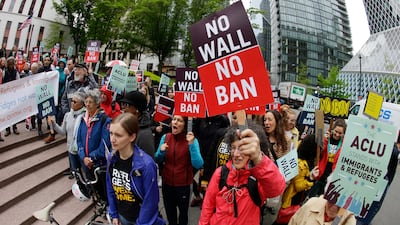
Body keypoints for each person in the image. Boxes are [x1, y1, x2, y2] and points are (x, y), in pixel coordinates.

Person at [198, 122, 286, 225]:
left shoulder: (258, 178)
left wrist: (258, 158)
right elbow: (207, 206)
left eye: (242, 149)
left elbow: (276, 189)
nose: (236, 154)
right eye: (233, 148)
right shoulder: (221, 173)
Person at [106, 113, 165, 225]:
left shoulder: (146, 165)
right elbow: (110, 187)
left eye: (118, 135)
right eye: (111, 133)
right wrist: (113, 214)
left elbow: (150, 200)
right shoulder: (111, 158)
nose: (112, 139)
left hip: (142, 220)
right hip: (122, 217)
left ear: (132, 137)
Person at [155, 115, 204, 225]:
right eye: (174, 119)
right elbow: (157, 159)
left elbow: (199, 164)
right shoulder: (165, 137)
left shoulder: (192, 140)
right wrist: (161, 152)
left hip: (184, 185)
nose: (175, 122)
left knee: (183, 215)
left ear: (185, 125)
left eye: (179, 120)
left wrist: (191, 145)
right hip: (167, 184)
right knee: (170, 214)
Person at [274, 134, 319, 225]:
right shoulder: (300, 165)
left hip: (296, 201)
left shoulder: (301, 159)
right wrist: (310, 179)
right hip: (291, 201)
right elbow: (298, 186)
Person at [76, 88, 111, 201]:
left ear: (97, 103)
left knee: (104, 190)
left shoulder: (104, 120)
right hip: (86, 163)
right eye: (86, 102)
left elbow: (105, 143)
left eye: (90, 102)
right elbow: (79, 141)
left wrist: (91, 158)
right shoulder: (82, 119)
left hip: (98, 163)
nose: (87, 104)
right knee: (94, 189)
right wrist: (83, 157)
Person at [49, 91, 86, 178]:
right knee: (76, 173)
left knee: (85, 172)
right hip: (71, 150)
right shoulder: (67, 115)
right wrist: (54, 124)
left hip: (82, 150)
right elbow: (62, 132)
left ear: (81, 104)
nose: (72, 103)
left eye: (75, 102)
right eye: (72, 101)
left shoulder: (85, 116)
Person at [311, 119, 347, 198]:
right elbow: (318, 152)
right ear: (332, 129)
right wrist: (324, 140)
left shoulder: (344, 144)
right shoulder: (326, 138)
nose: (337, 134)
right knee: (312, 199)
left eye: (340, 133)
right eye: (336, 131)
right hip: (320, 174)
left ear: (343, 134)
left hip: (331, 177)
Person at [120, 91, 155, 157]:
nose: (123, 108)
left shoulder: (144, 135)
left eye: (127, 105)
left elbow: (148, 163)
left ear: (137, 109)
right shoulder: (124, 126)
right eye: (123, 104)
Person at [288, 195, 356, 225]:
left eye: (341, 202)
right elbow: (293, 222)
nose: (335, 206)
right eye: (332, 199)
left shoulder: (349, 220)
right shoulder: (312, 203)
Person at [3, 57, 20, 136]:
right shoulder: (4, 72)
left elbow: (19, 82)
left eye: (12, 64)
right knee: (7, 112)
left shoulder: (16, 72)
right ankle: (7, 129)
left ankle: (15, 127)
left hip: (14, 95)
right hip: (6, 96)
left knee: (14, 112)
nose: (10, 66)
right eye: (9, 64)